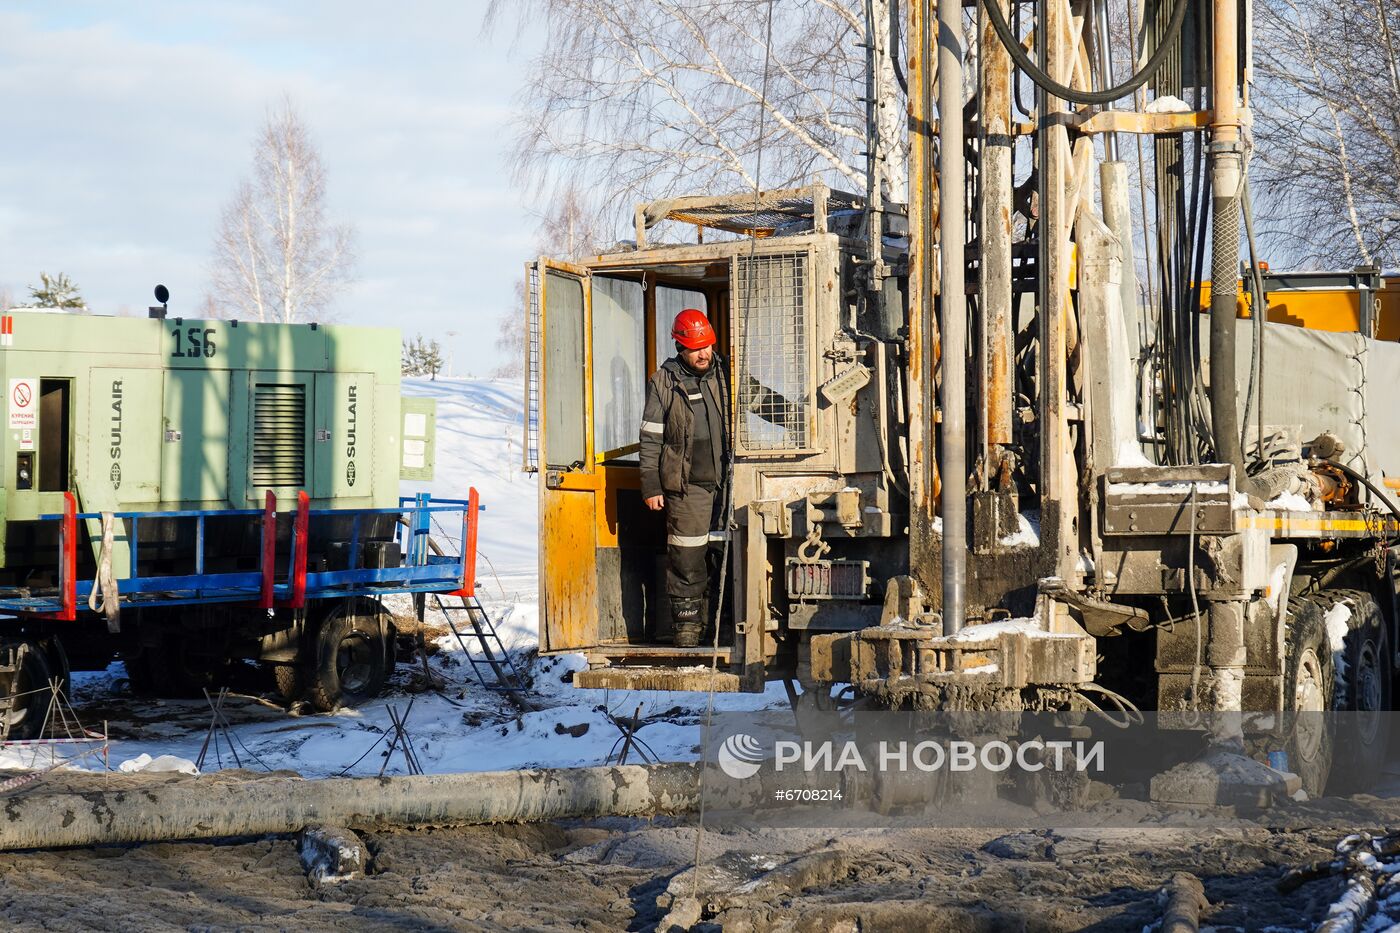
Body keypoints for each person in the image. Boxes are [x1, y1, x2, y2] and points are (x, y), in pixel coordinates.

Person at [639, 309, 729, 647]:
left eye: (707, 346)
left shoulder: (726, 374)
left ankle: (726, 622)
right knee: (687, 556)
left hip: (728, 482)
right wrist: (651, 485)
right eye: (696, 348)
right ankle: (688, 627)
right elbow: (650, 438)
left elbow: (761, 400)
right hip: (686, 487)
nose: (704, 354)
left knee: (725, 554)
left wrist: (796, 416)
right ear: (680, 346)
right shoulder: (663, 382)